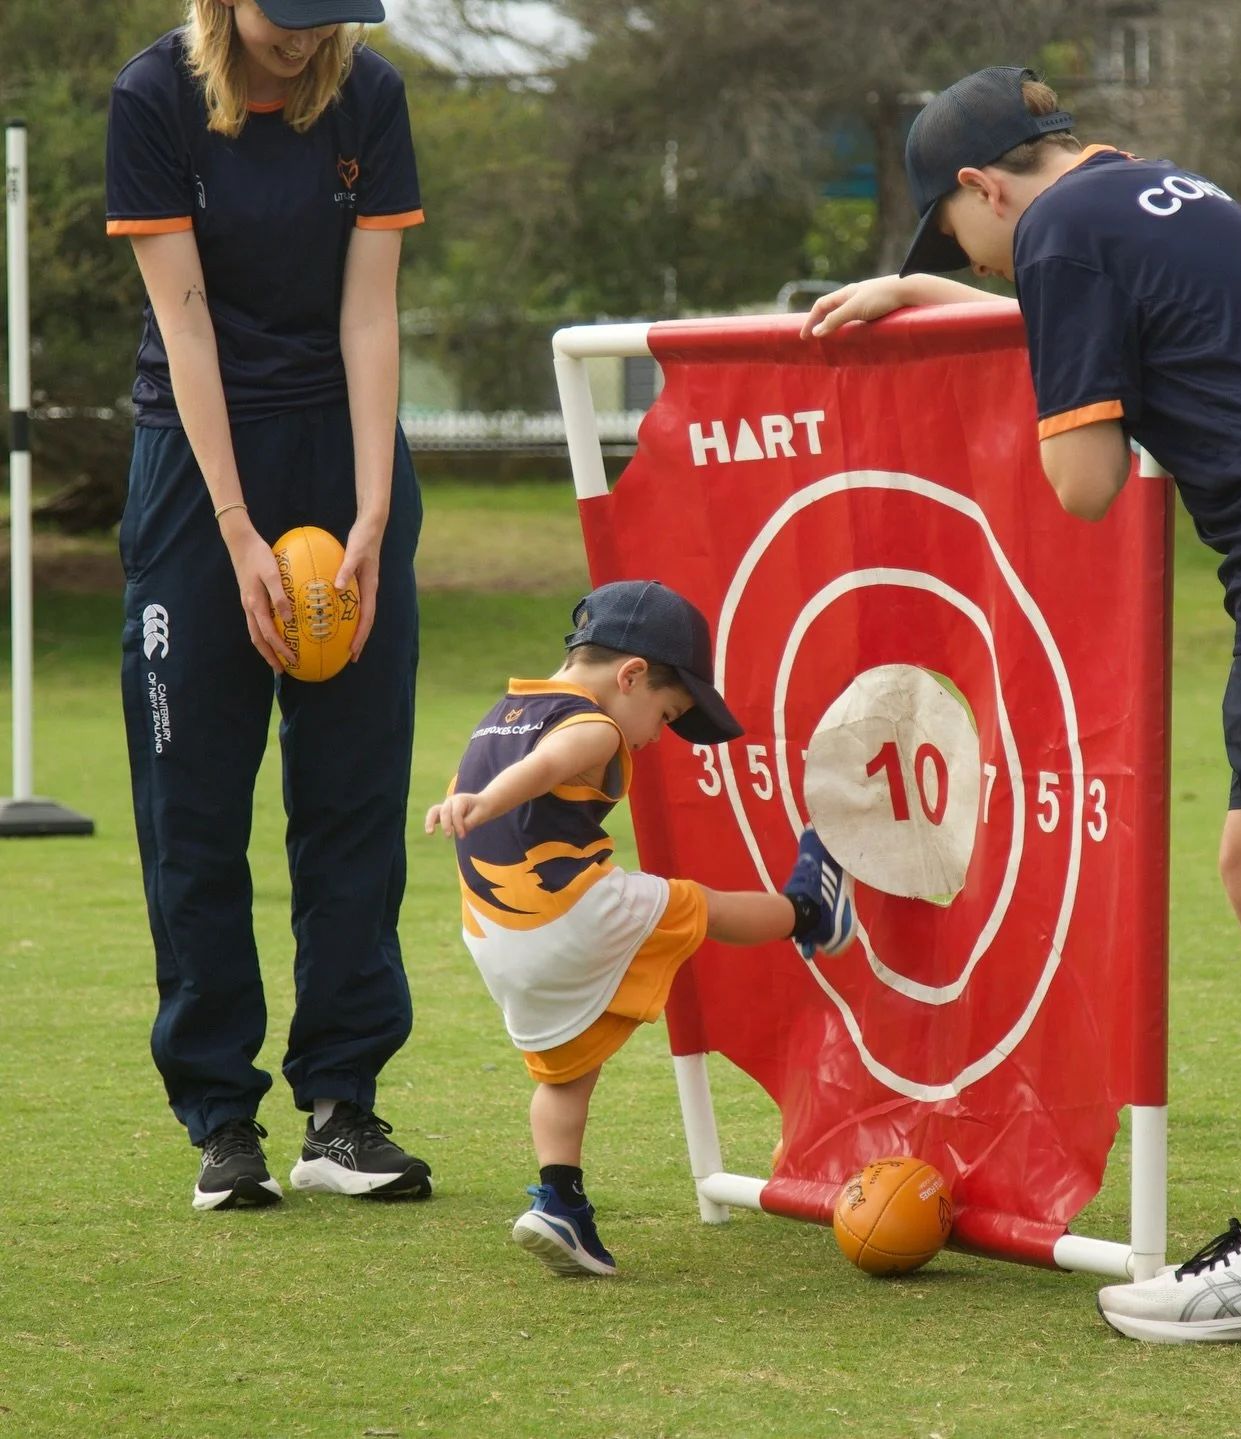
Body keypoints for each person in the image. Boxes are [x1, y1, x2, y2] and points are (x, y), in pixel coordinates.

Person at [802, 65, 1241, 1343]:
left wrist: (1028, 398)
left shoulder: (1057, 235)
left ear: (987, 187)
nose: (979, 264)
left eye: (959, 239)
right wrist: (932, 296)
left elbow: (1085, 480)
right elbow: (1163, 322)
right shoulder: (1159, 191)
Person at [106, 0, 431, 1210]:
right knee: (191, 801)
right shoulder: (154, 99)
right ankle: (221, 1116)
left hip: (344, 455)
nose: (305, 36)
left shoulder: (370, 96)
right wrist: (238, 529)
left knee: (352, 790)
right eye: (285, 14)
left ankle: (343, 1106)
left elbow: (369, 311)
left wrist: (373, 511)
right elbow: (184, 324)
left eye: (328, 13)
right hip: (197, 471)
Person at [425, 579, 857, 1277]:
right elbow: (544, 770)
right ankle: (812, 909)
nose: (658, 736)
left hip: (497, 942)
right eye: (666, 711)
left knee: (565, 1072)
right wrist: (486, 800)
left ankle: (558, 1201)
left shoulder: (499, 712)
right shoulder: (594, 724)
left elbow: (528, 771)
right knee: (700, 904)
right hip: (571, 911)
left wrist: (476, 797)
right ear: (630, 676)